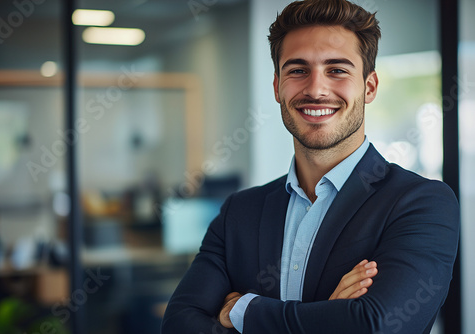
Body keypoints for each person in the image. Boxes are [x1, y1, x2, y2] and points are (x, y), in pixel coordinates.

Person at [161, 0, 460, 333]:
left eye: (337, 70)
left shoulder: (421, 203)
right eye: (298, 70)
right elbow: (178, 325)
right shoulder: (239, 213)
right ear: (277, 86)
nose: (316, 89)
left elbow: (376, 324)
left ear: (370, 86)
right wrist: (326, 317)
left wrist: (242, 310)